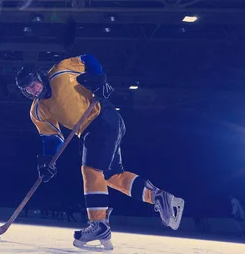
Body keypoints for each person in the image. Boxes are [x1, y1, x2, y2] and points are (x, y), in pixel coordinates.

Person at [16, 54, 185, 250]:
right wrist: (48, 161)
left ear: (40, 76)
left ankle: (99, 224)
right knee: (112, 176)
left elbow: (88, 58)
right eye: (28, 88)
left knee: (91, 170)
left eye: (34, 83)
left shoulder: (61, 71)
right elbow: (52, 137)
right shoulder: (37, 111)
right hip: (90, 131)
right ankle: (158, 197)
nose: (33, 88)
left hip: (102, 117)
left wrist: (98, 78)